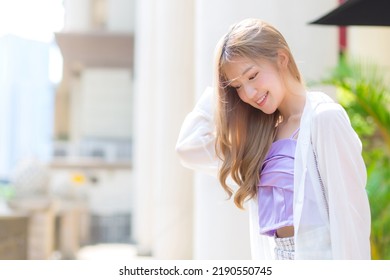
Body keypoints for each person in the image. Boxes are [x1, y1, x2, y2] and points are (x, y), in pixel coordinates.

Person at [176, 18, 371, 260]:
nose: (247, 93)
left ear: (281, 58)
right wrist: (221, 88)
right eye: (237, 86)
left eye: (253, 76)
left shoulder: (324, 119)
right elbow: (188, 147)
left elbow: (351, 220)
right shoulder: (260, 137)